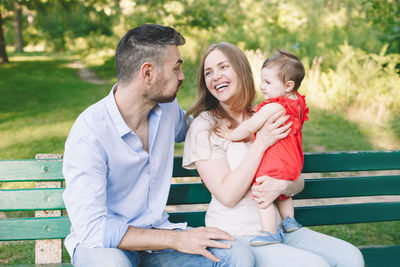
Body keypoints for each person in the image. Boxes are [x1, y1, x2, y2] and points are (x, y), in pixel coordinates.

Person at [62, 25, 255, 267]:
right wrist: (176, 239)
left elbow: (200, 129)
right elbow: (92, 229)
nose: (183, 76)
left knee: (235, 255)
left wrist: (247, 120)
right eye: (176, 68)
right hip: (106, 246)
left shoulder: (167, 110)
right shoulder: (89, 134)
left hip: (157, 242)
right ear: (148, 73)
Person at [183, 42, 364, 266]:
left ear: (241, 70)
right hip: (239, 236)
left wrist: (283, 187)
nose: (215, 76)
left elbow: (295, 178)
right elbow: (227, 196)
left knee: (350, 257)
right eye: (208, 72)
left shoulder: (267, 113)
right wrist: (261, 143)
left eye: (223, 67)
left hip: (280, 230)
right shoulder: (206, 126)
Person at [215, 49, 308, 246]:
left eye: (268, 82)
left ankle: (269, 232)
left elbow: (249, 126)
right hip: (293, 163)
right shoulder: (297, 103)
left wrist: (231, 135)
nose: (262, 86)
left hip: (275, 162)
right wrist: (261, 108)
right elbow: (275, 111)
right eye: (262, 80)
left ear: (288, 85)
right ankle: (289, 221)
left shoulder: (272, 107)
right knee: (282, 193)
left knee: (263, 193)